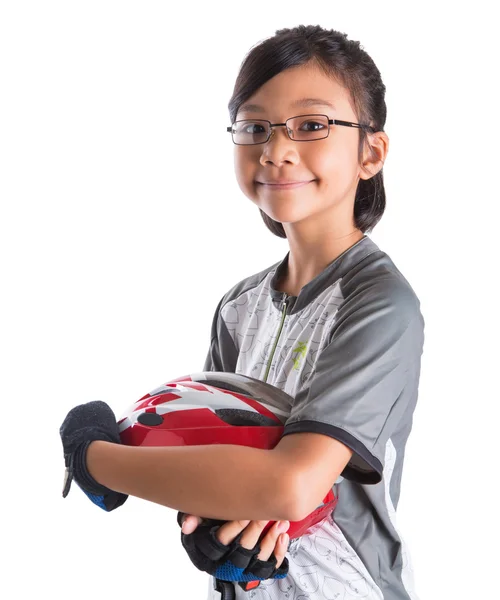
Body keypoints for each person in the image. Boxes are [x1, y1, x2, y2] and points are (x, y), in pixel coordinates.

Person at [60, 24, 425, 600]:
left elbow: (294, 485)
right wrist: (208, 527)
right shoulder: (238, 306)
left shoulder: (379, 303)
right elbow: (209, 459)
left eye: (311, 125)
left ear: (371, 152)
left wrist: (94, 458)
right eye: (255, 127)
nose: (276, 149)